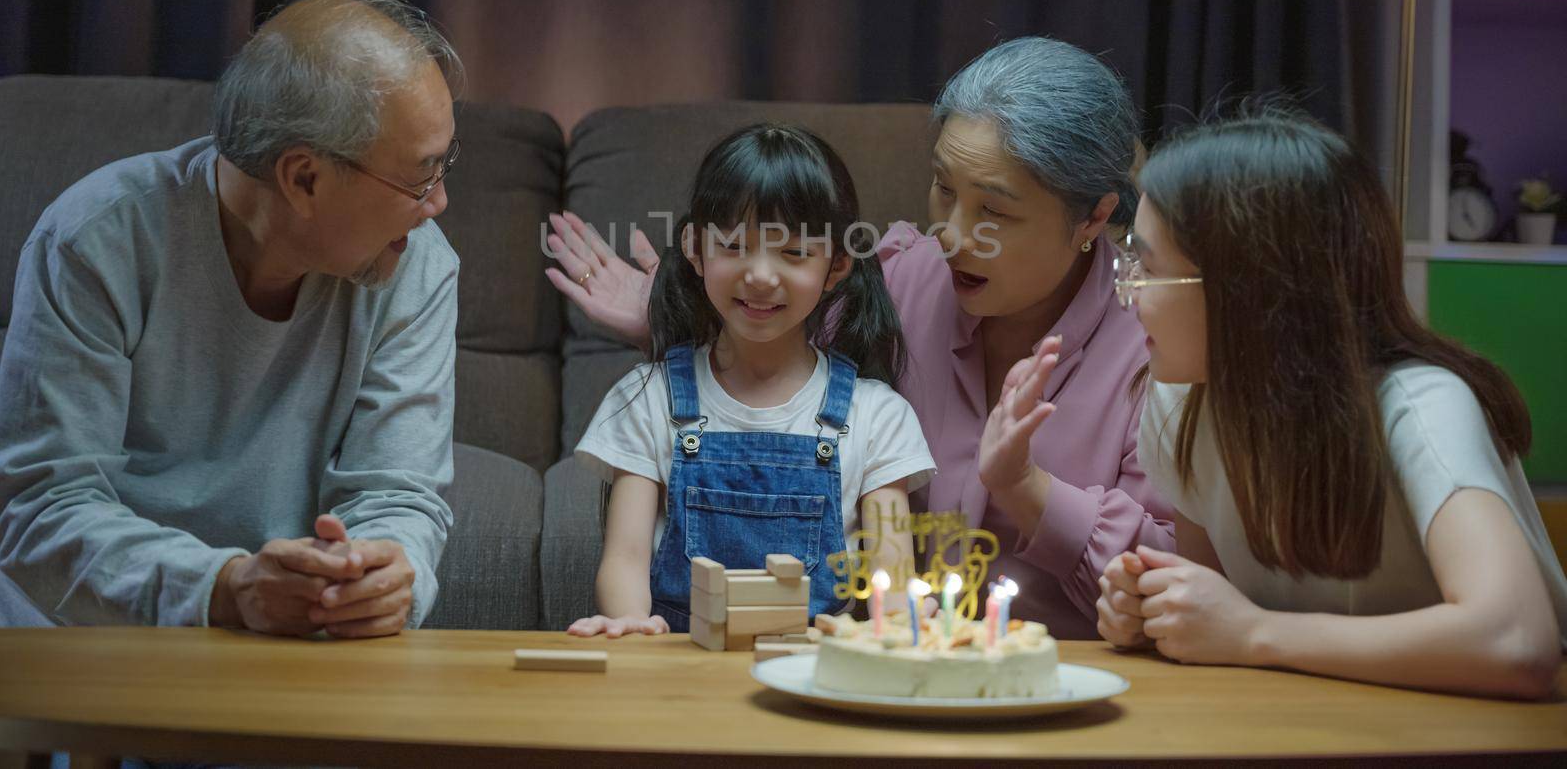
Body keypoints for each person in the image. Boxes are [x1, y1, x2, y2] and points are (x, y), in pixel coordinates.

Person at [547, 38, 1172, 639]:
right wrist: (674, 314)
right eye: (944, 189)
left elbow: (1167, 580)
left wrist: (1025, 486)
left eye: (995, 212)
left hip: (1060, 679)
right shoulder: (902, 279)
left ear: (1092, 216)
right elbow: (765, 351)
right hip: (878, 670)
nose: (952, 234)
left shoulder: (1161, 341)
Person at [0, 0, 463, 640]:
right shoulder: (96, 240)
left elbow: (399, 494)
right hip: (66, 646)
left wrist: (386, 573)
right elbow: (36, 511)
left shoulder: (417, 262)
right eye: (420, 177)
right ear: (304, 179)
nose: (440, 202)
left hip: (274, 648)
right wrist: (224, 587)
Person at [1096, 109, 1566, 699]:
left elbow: (1518, 643)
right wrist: (1157, 612)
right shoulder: (1178, 406)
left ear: (1248, 288)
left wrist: (1254, 633)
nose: (1127, 292)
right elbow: (1212, 620)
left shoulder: (1420, 407)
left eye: (1148, 267)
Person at [567, 124, 935, 636]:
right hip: (678, 679)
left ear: (837, 267)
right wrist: (630, 630)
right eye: (735, 245)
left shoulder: (877, 415)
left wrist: (900, 618)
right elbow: (625, 562)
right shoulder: (647, 397)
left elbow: (892, 577)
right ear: (695, 250)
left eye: (794, 253)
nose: (761, 275)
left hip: (818, 681)